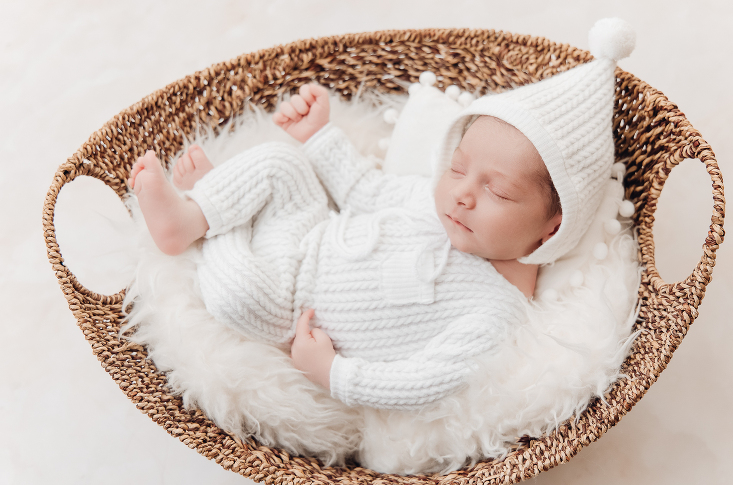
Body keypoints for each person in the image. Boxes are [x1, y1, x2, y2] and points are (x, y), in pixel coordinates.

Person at [127, 18, 631, 410]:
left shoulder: (496, 312)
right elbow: (363, 190)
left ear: (552, 229)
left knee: (238, 296)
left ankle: (216, 228)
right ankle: (194, 216)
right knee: (281, 165)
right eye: (456, 169)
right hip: (310, 230)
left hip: (292, 308)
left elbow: (422, 380)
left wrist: (333, 374)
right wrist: (320, 136)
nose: (462, 195)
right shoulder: (430, 202)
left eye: (497, 191)